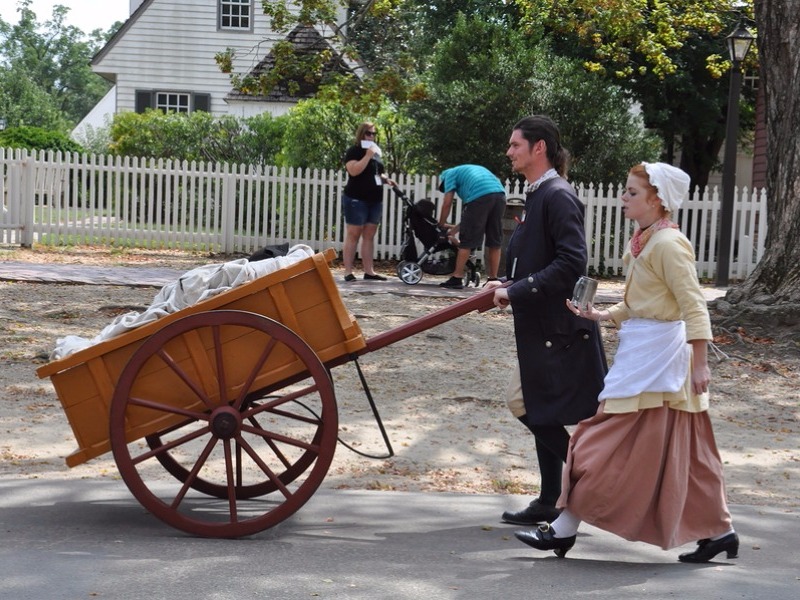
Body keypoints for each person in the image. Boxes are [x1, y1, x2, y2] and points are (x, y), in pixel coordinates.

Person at [514, 162, 738, 563]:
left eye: (632, 192)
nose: (624, 197)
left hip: (661, 361)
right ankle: (722, 531)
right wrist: (603, 315)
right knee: (688, 454)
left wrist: (701, 364)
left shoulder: (670, 244)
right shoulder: (643, 238)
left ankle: (564, 528)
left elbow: (692, 305)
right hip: (641, 353)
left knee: (598, 444)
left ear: (657, 200)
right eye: (626, 190)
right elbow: (643, 300)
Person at [487, 116, 607, 526]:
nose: (509, 152)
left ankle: (587, 478)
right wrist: (506, 283)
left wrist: (517, 290)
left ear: (539, 148)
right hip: (543, 326)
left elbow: (573, 262)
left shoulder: (557, 195)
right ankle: (549, 497)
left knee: (527, 402)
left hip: (560, 328)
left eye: (515, 145)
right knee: (539, 407)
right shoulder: (540, 194)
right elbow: (539, 259)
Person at [436, 165, 507, 289]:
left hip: (480, 196)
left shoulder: (449, 174)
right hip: (500, 195)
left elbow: (447, 203)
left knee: (467, 240)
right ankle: (493, 279)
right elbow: (469, 219)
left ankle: (457, 277)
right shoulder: (468, 173)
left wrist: (441, 225)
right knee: (494, 239)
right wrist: (453, 231)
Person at [342, 122, 395, 282]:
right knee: (354, 233)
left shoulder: (376, 153)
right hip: (356, 198)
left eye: (373, 134)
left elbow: (377, 173)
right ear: (361, 134)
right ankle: (348, 272)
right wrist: (367, 156)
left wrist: (386, 179)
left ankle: (369, 271)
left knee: (369, 235)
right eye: (368, 133)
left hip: (375, 199)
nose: (371, 136)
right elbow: (354, 170)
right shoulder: (355, 151)